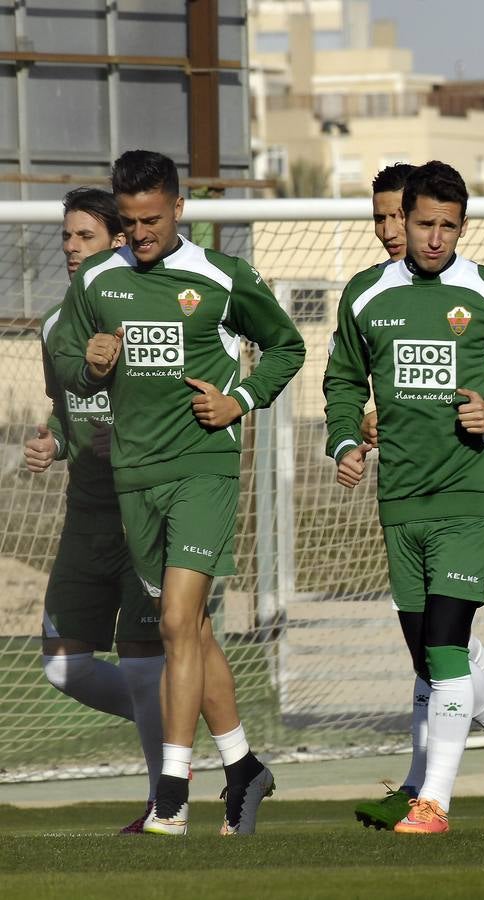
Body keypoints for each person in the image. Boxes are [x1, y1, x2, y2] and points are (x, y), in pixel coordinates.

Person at [49, 150, 305, 835]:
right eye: (129, 222)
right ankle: (244, 766)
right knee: (189, 629)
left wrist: (240, 401)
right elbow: (70, 367)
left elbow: (286, 346)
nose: (139, 235)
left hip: (204, 468)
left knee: (172, 624)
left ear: (178, 208)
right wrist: (89, 364)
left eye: (151, 220)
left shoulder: (220, 277)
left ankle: (170, 795)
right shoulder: (99, 279)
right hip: (134, 477)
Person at [324, 161, 484, 834]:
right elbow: (343, 380)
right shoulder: (366, 294)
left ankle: (435, 802)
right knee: (431, 654)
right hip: (401, 498)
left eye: (447, 227)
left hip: (469, 493)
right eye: (422, 223)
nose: (432, 238)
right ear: (403, 217)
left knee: (449, 647)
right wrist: (344, 442)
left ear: (462, 226)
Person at [26, 187, 163, 834]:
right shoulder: (55, 326)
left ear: (117, 240)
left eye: (84, 236)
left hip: (145, 511)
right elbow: (68, 412)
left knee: (141, 660)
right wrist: (51, 443)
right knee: (63, 665)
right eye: (66, 236)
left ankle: (166, 803)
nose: (70, 247)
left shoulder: (152, 315)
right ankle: (169, 706)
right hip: (84, 516)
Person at [371, 163, 415, 261]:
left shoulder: (456, 275)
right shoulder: (369, 276)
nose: (388, 234)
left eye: (402, 217)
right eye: (380, 219)